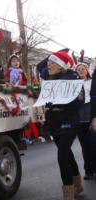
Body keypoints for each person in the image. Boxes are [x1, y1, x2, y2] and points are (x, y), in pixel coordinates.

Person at [44, 52, 84, 200]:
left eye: (52, 63)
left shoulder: (73, 77)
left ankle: (68, 194)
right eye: (48, 63)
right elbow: (47, 101)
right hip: (54, 121)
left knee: (62, 156)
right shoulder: (49, 79)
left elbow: (79, 101)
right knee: (67, 154)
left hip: (69, 119)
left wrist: (60, 100)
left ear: (61, 65)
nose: (49, 65)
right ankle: (77, 185)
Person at [76, 63, 95, 180]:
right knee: (85, 146)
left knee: (94, 144)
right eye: (78, 70)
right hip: (79, 115)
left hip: (91, 112)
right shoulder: (74, 84)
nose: (81, 71)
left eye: (83, 69)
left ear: (87, 70)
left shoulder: (93, 81)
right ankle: (89, 171)